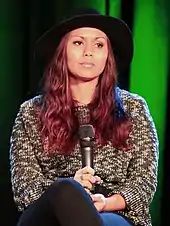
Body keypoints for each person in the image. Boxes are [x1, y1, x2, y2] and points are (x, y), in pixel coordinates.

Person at [9, 8, 159, 226]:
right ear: (62, 51)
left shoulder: (133, 108)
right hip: (49, 213)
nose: (89, 52)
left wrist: (106, 203)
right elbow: (25, 190)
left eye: (99, 45)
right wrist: (72, 189)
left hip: (115, 213)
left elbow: (143, 182)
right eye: (78, 43)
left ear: (108, 54)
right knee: (67, 190)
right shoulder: (31, 113)